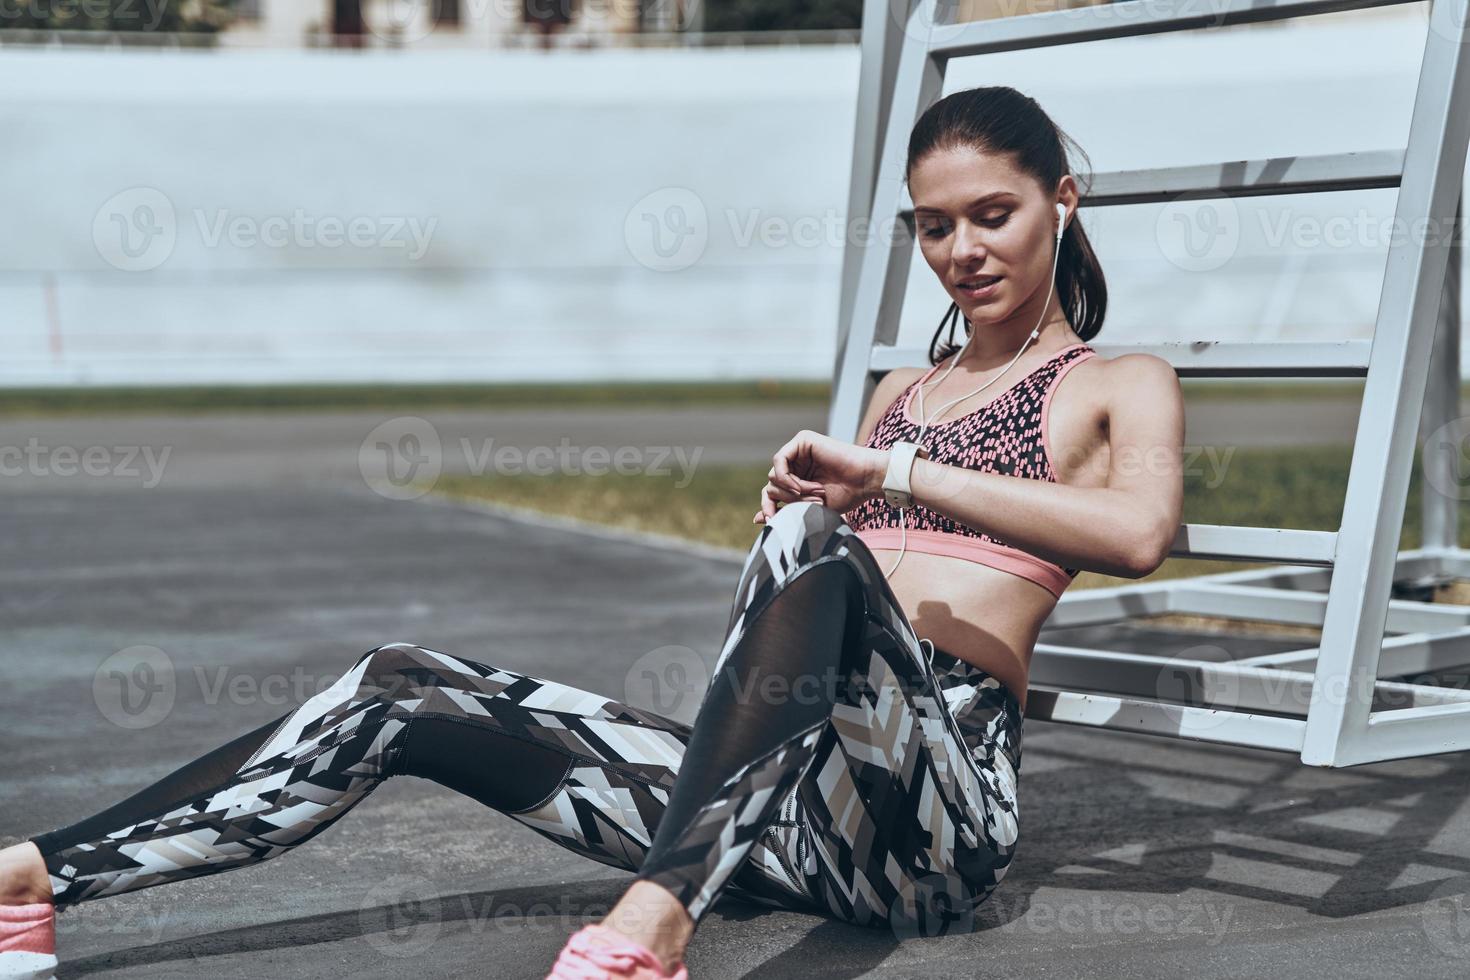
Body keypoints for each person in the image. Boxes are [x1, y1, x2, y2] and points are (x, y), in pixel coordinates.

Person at [0, 85, 1184, 980]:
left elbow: (1140, 531)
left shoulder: (1116, 381)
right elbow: (813, 614)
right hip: (785, 816)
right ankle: (36, 877)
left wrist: (883, 483)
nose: (964, 250)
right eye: (935, 228)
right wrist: (803, 518)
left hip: (938, 828)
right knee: (402, 686)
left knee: (823, 546)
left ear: (1060, 201)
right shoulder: (898, 395)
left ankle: (654, 928)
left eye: (993, 215)